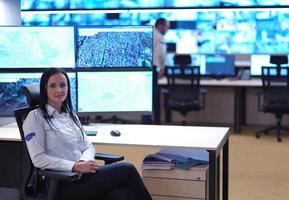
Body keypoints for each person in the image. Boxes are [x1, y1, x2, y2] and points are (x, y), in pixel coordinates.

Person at [23, 67, 152, 200]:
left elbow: (87, 146)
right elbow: (38, 159)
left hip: (82, 177)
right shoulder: (35, 117)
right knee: (127, 169)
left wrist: (83, 162)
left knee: (123, 195)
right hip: (60, 183)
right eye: (52, 86)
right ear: (44, 89)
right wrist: (74, 167)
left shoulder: (70, 116)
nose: (59, 90)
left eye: (63, 85)